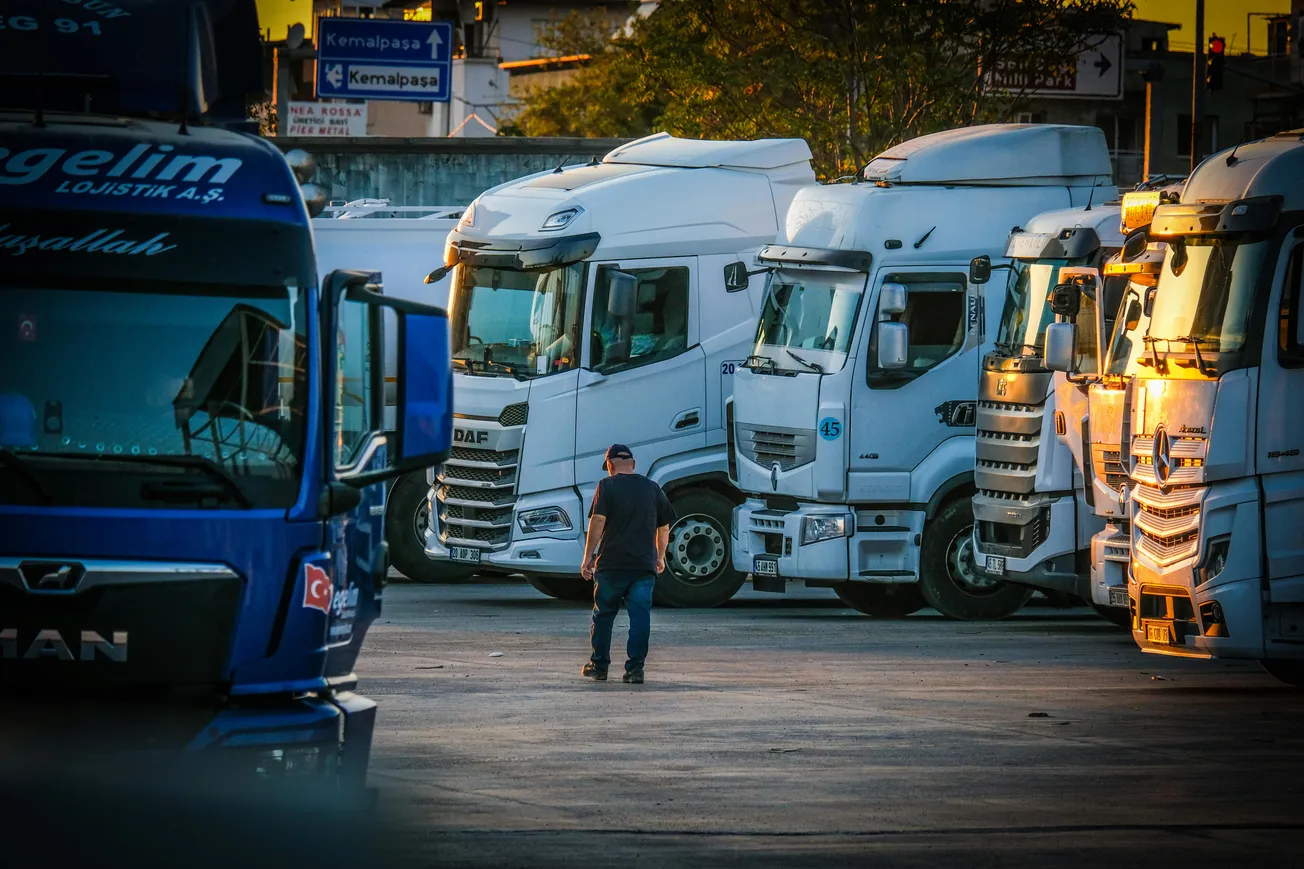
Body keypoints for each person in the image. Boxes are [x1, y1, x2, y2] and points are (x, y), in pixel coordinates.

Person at [580, 443, 675, 684]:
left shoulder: (606, 485)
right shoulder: (653, 488)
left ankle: (599, 665)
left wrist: (588, 556)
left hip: (611, 565)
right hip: (643, 567)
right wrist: (660, 556)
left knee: (603, 616)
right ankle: (635, 670)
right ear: (633, 464)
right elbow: (663, 527)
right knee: (640, 618)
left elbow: (598, 520)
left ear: (610, 466)